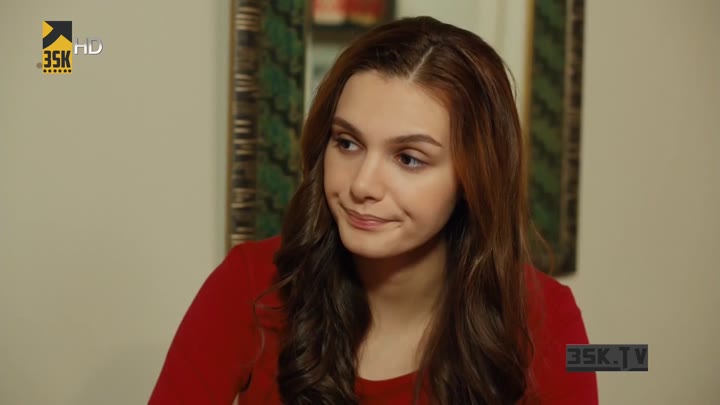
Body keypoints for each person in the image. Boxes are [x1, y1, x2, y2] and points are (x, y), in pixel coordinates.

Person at [149, 16, 598, 405]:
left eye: (408, 159)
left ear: (473, 179)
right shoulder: (248, 285)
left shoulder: (545, 318)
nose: (362, 185)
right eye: (347, 143)